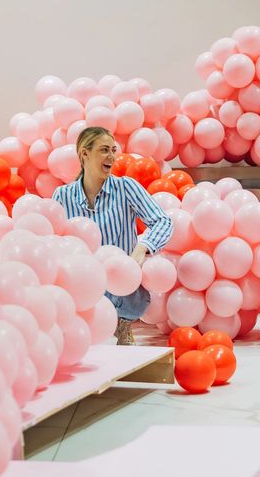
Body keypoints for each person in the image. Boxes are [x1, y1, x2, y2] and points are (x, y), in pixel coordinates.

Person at [52, 126, 174, 345]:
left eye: (113, 150)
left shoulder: (126, 187)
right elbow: (54, 240)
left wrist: (143, 246)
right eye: (104, 150)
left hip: (122, 290)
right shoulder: (62, 195)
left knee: (125, 286)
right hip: (82, 287)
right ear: (84, 154)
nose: (111, 156)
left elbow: (163, 221)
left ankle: (122, 324)